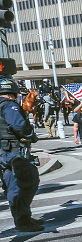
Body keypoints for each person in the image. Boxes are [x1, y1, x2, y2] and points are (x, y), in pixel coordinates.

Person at [0, 79, 43, 232]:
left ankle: (22, 219)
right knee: (29, 181)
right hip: (15, 152)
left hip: (3, 154)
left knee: (12, 187)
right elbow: (19, 125)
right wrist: (31, 135)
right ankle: (23, 220)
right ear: (11, 94)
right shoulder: (9, 106)